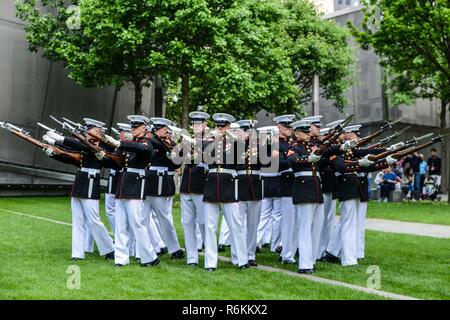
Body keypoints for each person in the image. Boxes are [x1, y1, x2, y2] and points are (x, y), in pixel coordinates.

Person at [43, 119, 115, 261]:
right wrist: (53, 152)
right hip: (80, 181)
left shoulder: (101, 145)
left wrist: (59, 140)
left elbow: (82, 147)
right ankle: (77, 253)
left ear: (98, 131)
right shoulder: (84, 145)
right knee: (78, 220)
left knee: (94, 219)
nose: (86, 132)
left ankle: (109, 248)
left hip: (90, 182)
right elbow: (71, 156)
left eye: (90, 130)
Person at [102, 115, 160, 267]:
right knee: (121, 225)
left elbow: (140, 149)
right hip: (122, 185)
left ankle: (149, 257)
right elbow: (117, 162)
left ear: (144, 128)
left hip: (135, 185)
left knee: (137, 223)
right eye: (132, 127)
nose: (133, 129)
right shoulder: (129, 144)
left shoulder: (147, 143)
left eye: (136, 127)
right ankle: (121, 259)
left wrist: (120, 143)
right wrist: (102, 156)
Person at [202, 113, 249, 271]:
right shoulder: (209, 143)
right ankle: (210, 263)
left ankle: (242, 259)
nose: (220, 129)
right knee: (210, 226)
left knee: (236, 224)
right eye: (218, 126)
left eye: (223, 126)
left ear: (229, 127)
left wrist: (230, 137)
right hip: (212, 183)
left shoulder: (236, 142)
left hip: (229, 183)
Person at [146, 117, 185, 260]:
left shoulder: (169, 144)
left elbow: (175, 165)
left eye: (167, 130)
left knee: (164, 219)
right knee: (143, 220)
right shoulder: (151, 141)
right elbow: (154, 142)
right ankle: (145, 249)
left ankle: (174, 249)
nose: (167, 133)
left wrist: (179, 147)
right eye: (164, 130)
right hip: (148, 182)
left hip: (160, 185)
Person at [179, 111, 210, 266]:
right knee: (187, 222)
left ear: (205, 124)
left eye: (199, 123)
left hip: (201, 185)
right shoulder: (188, 141)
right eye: (194, 124)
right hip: (187, 185)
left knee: (204, 223)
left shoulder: (211, 139)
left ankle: (210, 255)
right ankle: (192, 257)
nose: (196, 126)